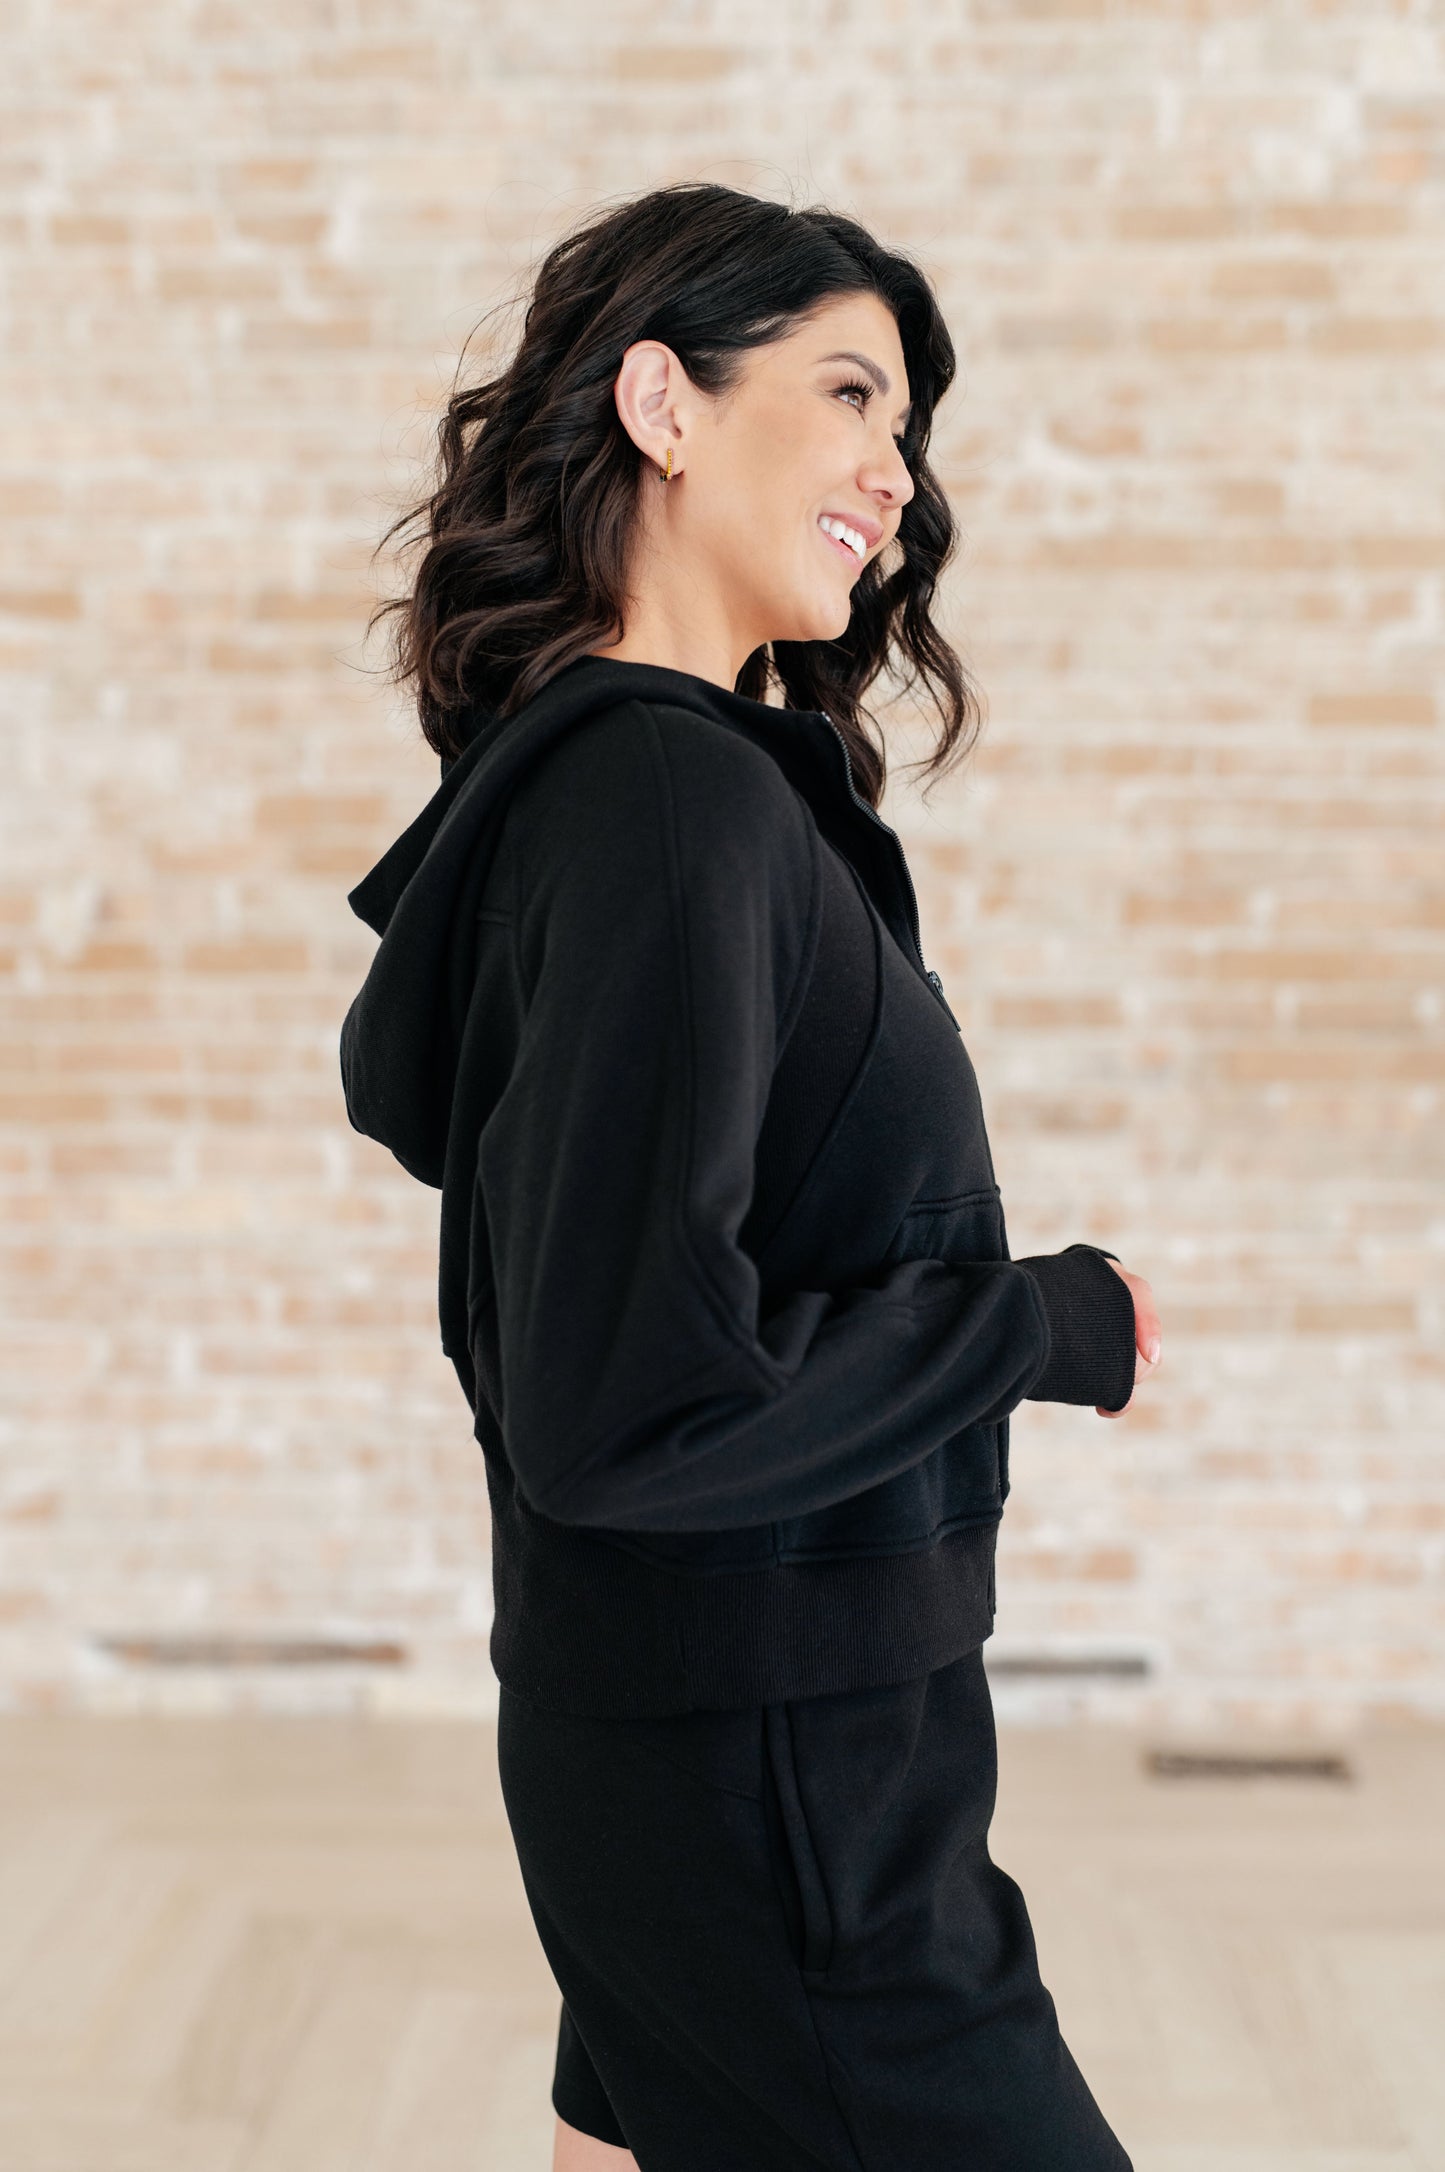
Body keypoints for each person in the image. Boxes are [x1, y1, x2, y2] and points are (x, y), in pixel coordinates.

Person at [341, 180, 1161, 2170]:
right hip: (782, 1776)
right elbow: (630, 1406)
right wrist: (1039, 1323)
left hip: (719, 1734)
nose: (896, 474)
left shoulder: (621, 790)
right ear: (663, 404)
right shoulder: (665, 805)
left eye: (909, 430)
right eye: (850, 395)